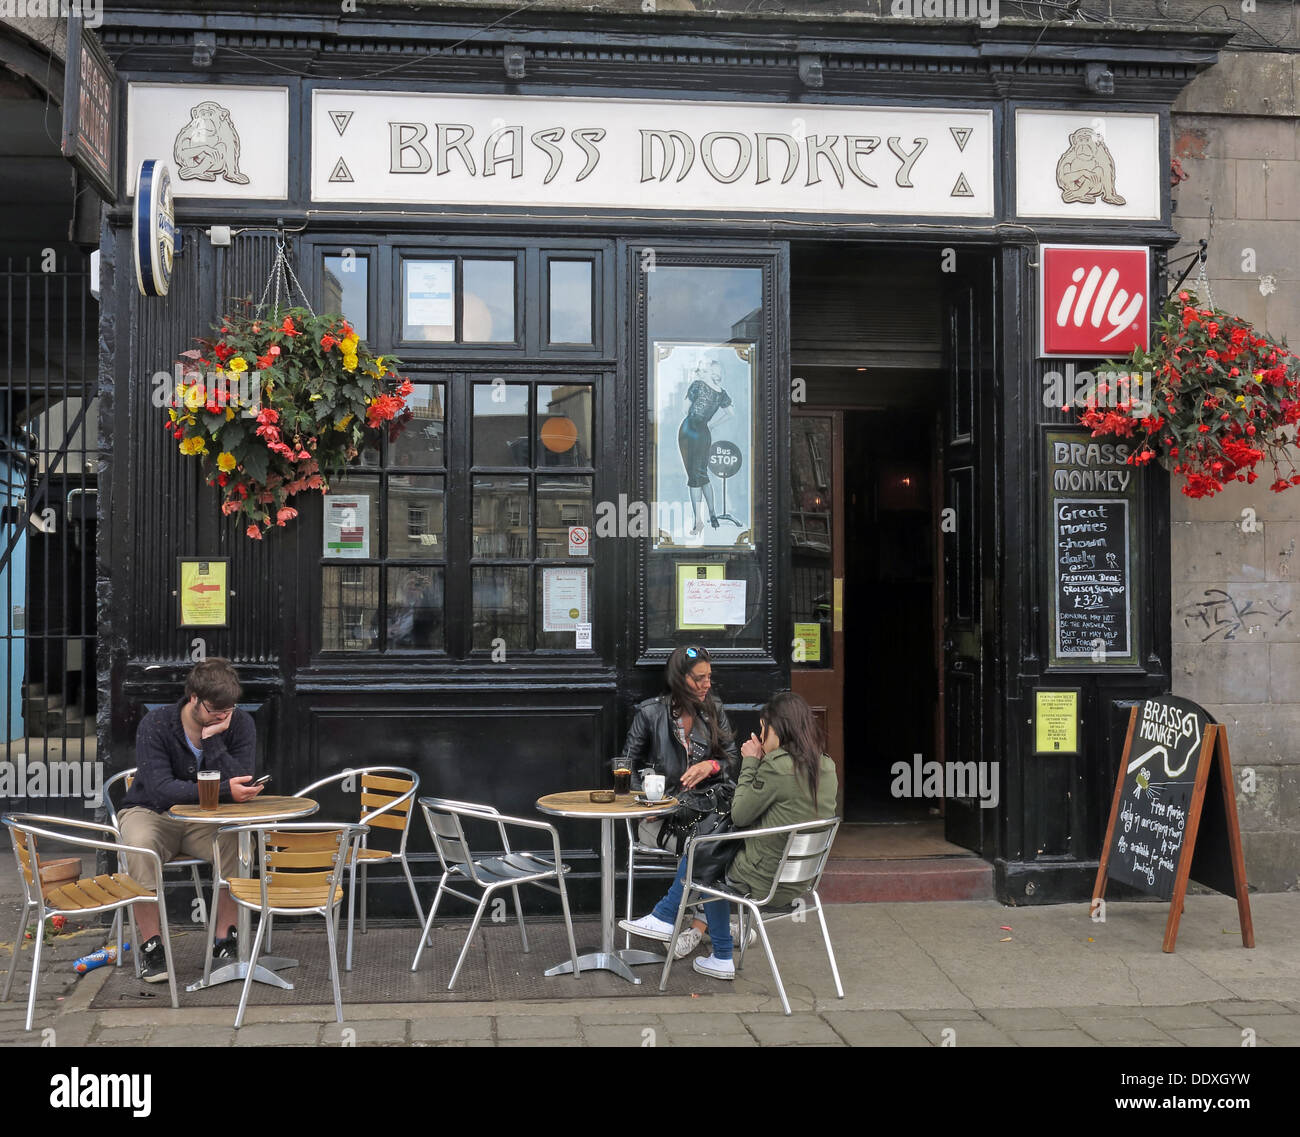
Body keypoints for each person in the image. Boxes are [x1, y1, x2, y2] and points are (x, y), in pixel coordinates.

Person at [619, 690, 838, 980]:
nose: (761, 737)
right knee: (711, 848)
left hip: (764, 880)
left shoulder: (777, 767)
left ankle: (698, 940)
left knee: (706, 852)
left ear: (778, 729)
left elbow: (741, 814)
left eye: (763, 729)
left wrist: (751, 761)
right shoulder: (826, 765)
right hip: (801, 880)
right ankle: (676, 924)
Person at [118, 658, 265, 983]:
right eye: (215, 709)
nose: (223, 716)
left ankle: (224, 940)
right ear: (194, 698)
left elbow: (241, 777)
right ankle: (151, 946)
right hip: (152, 813)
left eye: (229, 708)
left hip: (207, 819)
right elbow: (160, 790)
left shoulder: (238, 723)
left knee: (236, 842)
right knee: (141, 846)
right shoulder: (156, 724)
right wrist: (223, 788)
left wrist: (212, 740)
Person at [622, 645, 739, 798]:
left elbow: (731, 757)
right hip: (664, 805)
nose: (707, 684)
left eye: (709, 676)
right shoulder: (650, 713)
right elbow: (626, 764)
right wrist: (646, 799)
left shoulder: (714, 709)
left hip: (707, 805)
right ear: (678, 679)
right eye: (699, 678)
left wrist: (711, 766)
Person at [676, 357, 733, 536]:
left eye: (703, 368)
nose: (700, 371)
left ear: (709, 371)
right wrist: (712, 424)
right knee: (701, 475)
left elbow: (684, 410)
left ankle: (699, 522)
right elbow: (731, 413)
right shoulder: (721, 393)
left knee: (694, 477)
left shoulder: (698, 385)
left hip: (688, 430)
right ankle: (712, 515)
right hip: (703, 433)